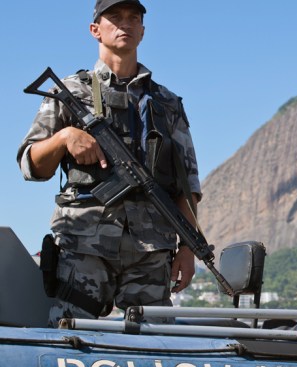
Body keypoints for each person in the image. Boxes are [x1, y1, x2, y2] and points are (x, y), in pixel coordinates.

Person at [17, 0, 200, 325]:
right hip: (83, 243)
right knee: (70, 344)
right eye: (114, 17)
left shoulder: (167, 103)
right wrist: (64, 138)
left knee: (155, 351)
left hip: (150, 250)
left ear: (143, 30)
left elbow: (186, 184)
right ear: (95, 29)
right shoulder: (69, 91)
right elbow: (31, 164)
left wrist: (188, 248)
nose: (124, 24)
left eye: (133, 18)